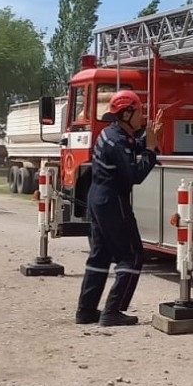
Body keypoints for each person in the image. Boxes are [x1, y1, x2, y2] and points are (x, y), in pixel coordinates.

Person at [75, 90, 161, 326]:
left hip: (98, 197)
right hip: (112, 200)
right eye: (139, 112)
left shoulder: (112, 133)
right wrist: (151, 150)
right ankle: (112, 311)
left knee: (100, 256)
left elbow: (130, 149)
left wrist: (147, 140)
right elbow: (135, 174)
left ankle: (86, 311)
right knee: (132, 256)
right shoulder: (117, 140)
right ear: (126, 113)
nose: (142, 117)